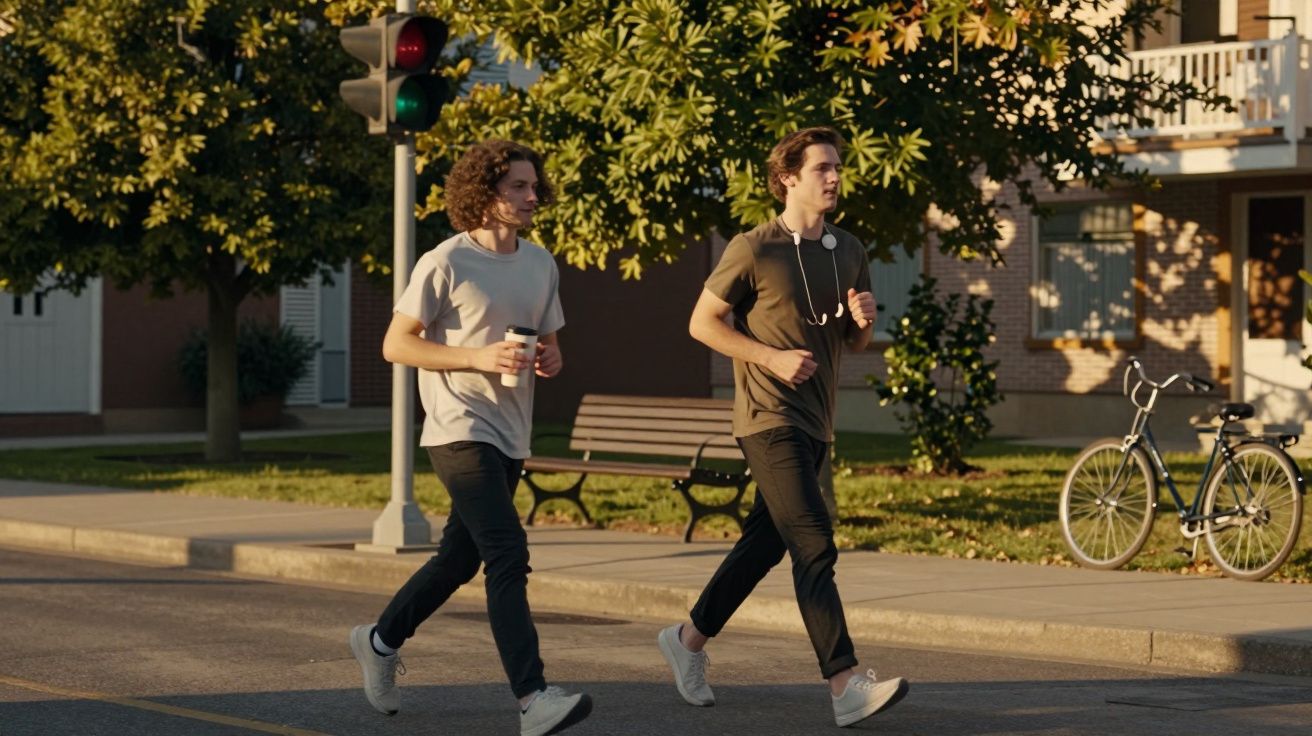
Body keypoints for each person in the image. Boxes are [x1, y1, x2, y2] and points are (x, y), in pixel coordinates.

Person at [657, 126, 909, 728]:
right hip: (767, 417)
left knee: (763, 545)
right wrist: (769, 358)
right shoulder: (754, 247)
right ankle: (845, 683)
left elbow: (852, 343)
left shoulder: (849, 249)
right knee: (814, 542)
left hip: (818, 422)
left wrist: (865, 321)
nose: (835, 177)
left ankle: (687, 640)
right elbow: (702, 323)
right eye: (822, 167)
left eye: (838, 167)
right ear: (787, 178)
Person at [349, 139, 591, 736]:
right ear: (484, 195)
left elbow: (551, 343)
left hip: (510, 433)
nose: (532, 196)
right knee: (507, 552)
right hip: (457, 428)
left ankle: (379, 641)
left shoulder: (541, 263)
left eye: (534, 185)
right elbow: (396, 344)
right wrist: (476, 357)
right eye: (518, 187)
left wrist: (552, 358)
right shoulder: (445, 261)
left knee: (459, 560)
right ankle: (533, 698)